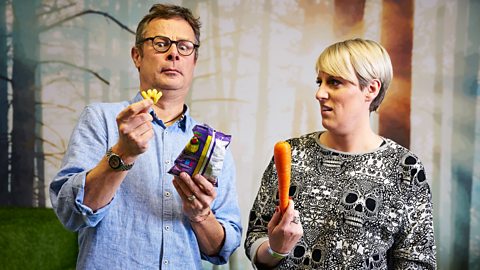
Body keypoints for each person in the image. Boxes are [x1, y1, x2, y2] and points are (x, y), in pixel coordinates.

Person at [50, 4, 242, 269]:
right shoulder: (100, 120)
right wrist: (122, 153)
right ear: (137, 56)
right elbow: (71, 214)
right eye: (161, 43)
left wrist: (201, 215)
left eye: (184, 46)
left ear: (194, 61)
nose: (173, 53)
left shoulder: (213, 145)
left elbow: (221, 250)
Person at [245, 38, 436, 269]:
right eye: (320, 81)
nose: (319, 93)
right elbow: (255, 236)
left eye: (334, 82)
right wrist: (277, 250)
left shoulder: (404, 167)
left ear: (371, 89)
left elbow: (417, 261)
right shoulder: (291, 154)